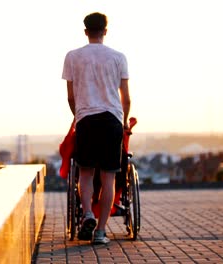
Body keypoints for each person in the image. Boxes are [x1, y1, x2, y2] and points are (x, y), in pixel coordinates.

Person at [62, 12, 131, 244]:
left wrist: (78, 116)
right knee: (109, 177)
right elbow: (126, 98)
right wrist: (123, 122)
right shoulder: (119, 57)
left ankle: (88, 215)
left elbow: (71, 97)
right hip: (112, 120)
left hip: (86, 120)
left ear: (85, 32)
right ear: (105, 31)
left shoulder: (73, 57)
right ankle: (101, 232)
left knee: (86, 173)